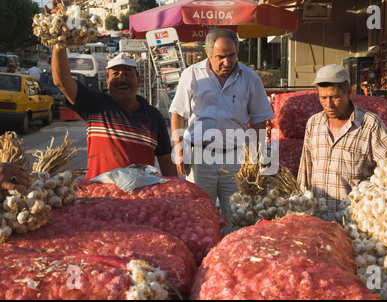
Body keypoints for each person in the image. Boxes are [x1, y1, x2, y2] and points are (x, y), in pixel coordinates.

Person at [47, 2, 177, 179]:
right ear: (107, 82)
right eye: (115, 73)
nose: (122, 78)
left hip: (141, 201)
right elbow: (61, 81)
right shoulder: (95, 105)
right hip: (99, 199)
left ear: (138, 81)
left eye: (128, 73)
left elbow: (166, 161)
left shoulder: (154, 116)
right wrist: (59, 34)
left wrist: (176, 198)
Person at [169, 28, 274, 234]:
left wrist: (262, 155)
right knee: (200, 217)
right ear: (208, 53)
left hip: (236, 159)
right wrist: (179, 150)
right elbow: (177, 114)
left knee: (237, 216)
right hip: (200, 157)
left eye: (231, 55)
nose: (227, 62)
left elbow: (261, 119)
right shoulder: (192, 75)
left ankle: (232, 261)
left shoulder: (249, 78)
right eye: (220, 57)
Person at [297, 64, 387, 213]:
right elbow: (305, 171)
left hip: (353, 223)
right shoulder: (314, 124)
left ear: (348, 92)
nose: (329, 104)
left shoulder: (370, 124)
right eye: (323, 98)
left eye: (335, 97)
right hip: (317, 221)